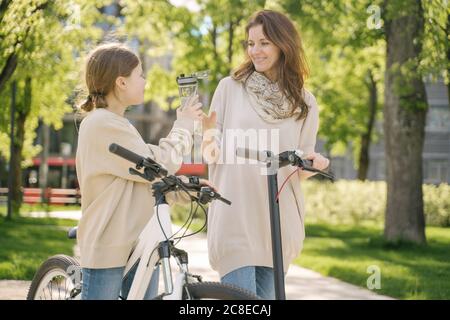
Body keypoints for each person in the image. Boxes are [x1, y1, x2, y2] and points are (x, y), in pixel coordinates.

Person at [202, 10, 330, 299]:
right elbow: (211, 152)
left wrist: (314, 163)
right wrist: (207, 133)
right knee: (242, 303)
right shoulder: (229, 88)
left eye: (264, 43)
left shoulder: (305, 102)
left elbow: (301, 162)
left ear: (283, 44)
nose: (255, 51)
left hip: (277, 220)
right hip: (235, 213)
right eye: (251, 43)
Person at [75, 43, 206, 300]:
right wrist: (184, 126)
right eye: (140, 75)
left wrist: (191, 189)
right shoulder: (101, 123)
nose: (145, 82)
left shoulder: (119, 123)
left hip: (140, 244)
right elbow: (161, 163)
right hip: (110, 246)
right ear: (121, 82)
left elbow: (149, 178)